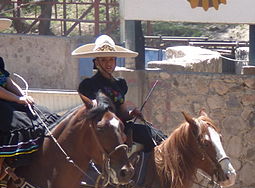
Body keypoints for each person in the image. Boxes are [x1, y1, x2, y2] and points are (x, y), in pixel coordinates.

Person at [71, 35, 162, 155]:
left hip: (122, 126)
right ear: (96, 62)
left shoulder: (120, 84)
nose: (108, 63)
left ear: (115, 60)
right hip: (103, 129)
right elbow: (95, 113)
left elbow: (123, 112)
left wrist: (132, 114)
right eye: (103, 60)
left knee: (156, 136)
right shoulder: (88, 85)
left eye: (111, 59)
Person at [0, 18, 59, 173]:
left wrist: (23, 96)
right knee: (18, 122)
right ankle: (7, 168)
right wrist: (18, 99)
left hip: (6, 100)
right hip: (2, 103)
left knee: (41, 112)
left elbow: (8, 82)